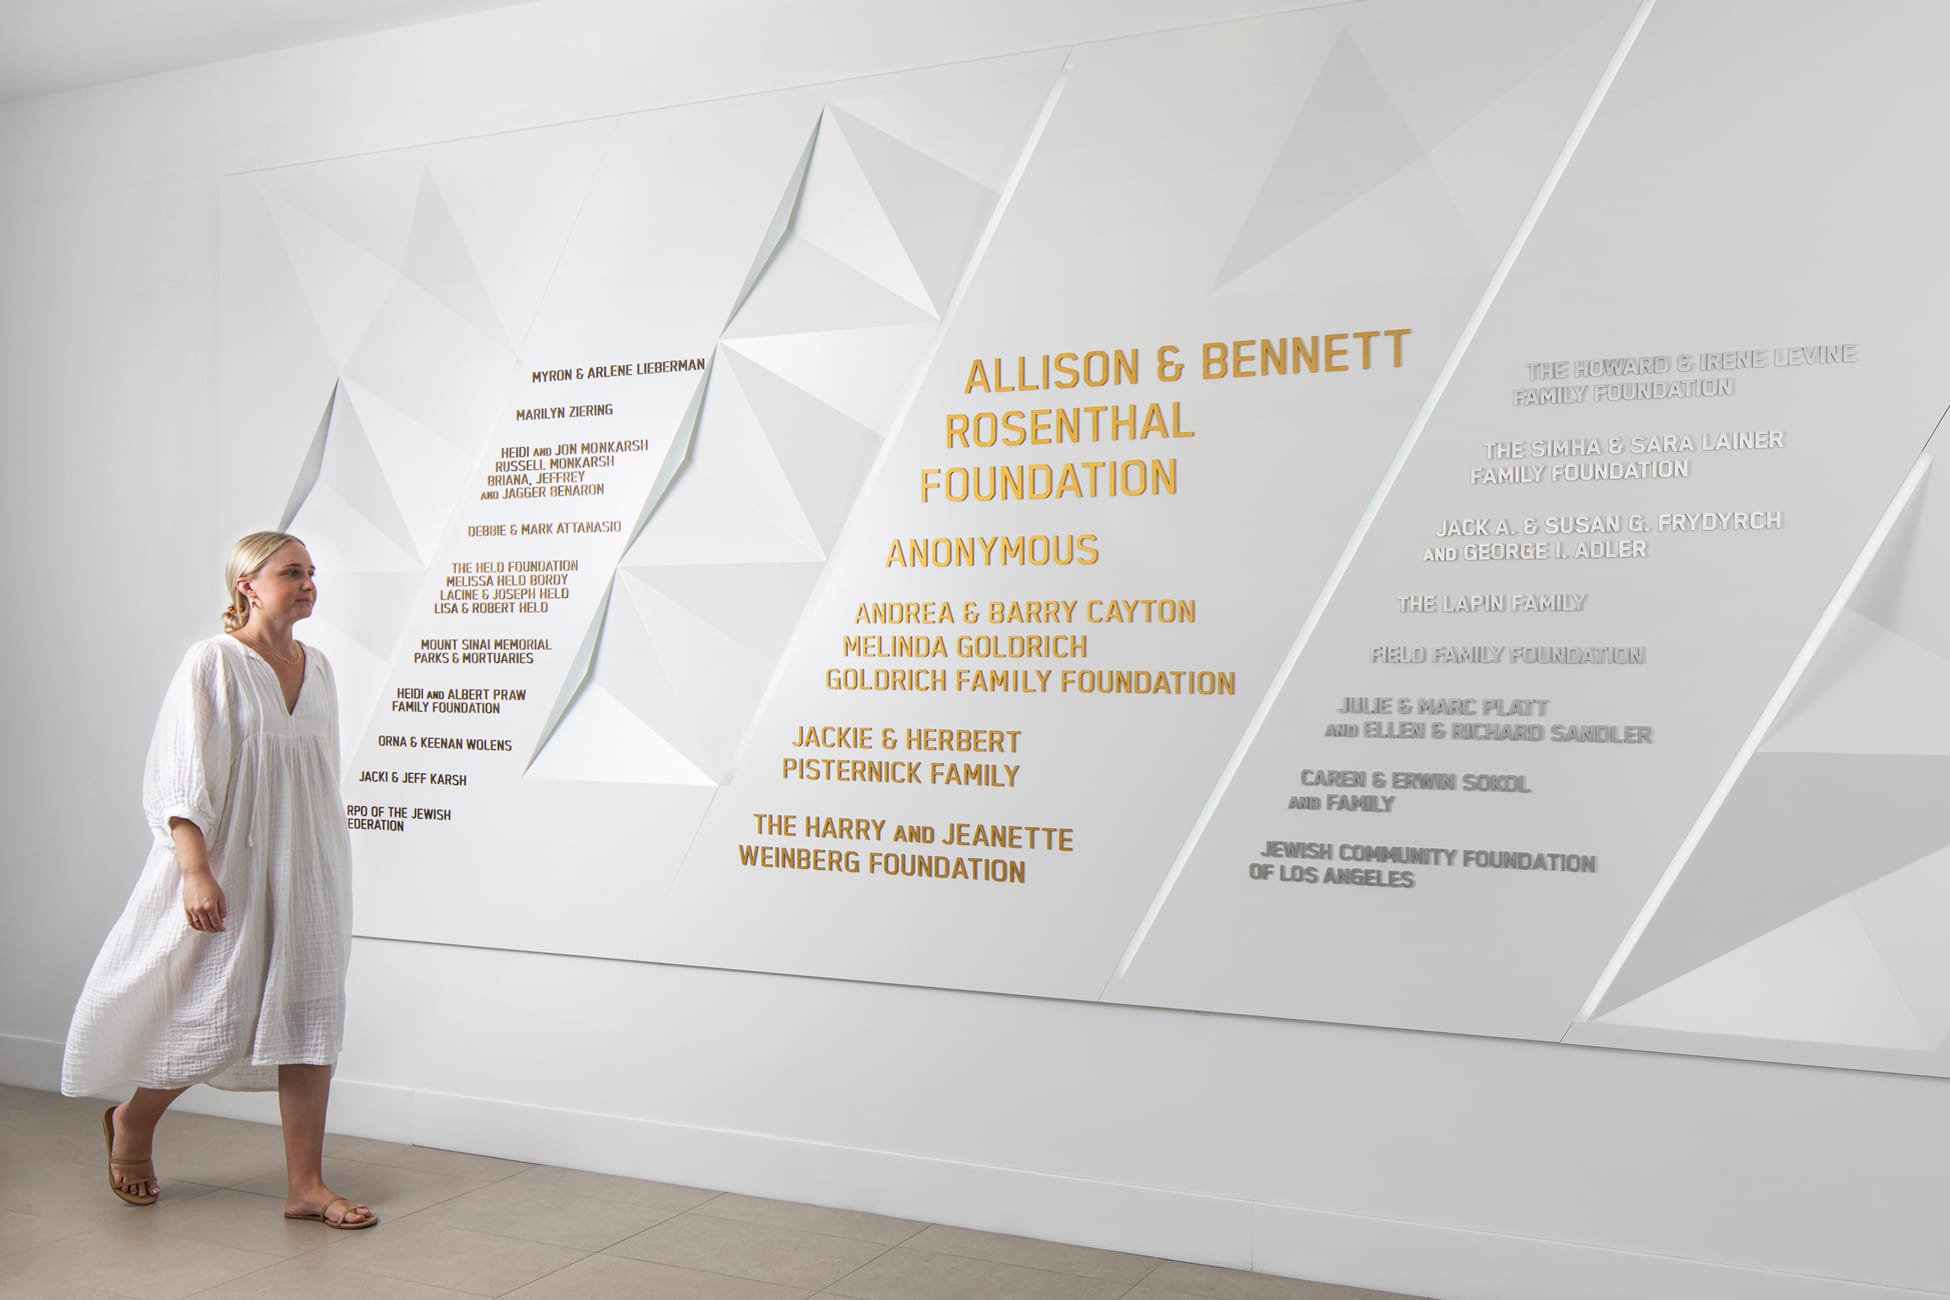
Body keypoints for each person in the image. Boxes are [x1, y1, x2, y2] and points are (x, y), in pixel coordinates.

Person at [61, 531, 375, 1229]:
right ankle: (133, 1123)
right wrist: (195, 871)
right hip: (229, 862)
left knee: (309, 1010)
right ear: (247, 585)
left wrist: (326, 866)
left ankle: (306, 1186)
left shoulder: (317, 667)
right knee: (207, 1006)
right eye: (292, 572)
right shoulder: (213, 661)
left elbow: (315, 777)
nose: (307, 583)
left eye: (312, 573)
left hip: (310, 864)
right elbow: (181, 774)